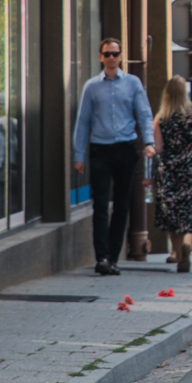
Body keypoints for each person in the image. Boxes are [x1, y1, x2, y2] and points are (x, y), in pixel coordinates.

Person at [71, 37, 155, 277]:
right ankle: (102, 258)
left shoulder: (132, 83)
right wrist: (79, 155)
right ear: (100, 57)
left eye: (115, 54)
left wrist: (148, 142)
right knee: (99, 206)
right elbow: (83, 121)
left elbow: (144, 114)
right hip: (100, 150)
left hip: (126, 149)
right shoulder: (91, 86)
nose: (111, 58)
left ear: (120, 57)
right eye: (107, 54)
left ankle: (114, 257)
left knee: (121, 205)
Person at [153, 76, 192, 273]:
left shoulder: (162, 116)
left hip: (170, 170)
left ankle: (178, 254)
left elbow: (158, 147)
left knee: (172, 213)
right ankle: (188, 243)